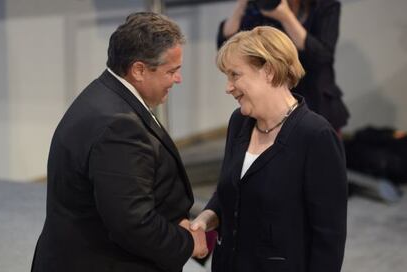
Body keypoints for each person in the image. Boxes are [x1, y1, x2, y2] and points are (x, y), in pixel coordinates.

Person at [31, 12, 208, 272]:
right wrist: (187, 242)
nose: (177, 79)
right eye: (171, 71)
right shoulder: (119, 127)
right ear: (138, 70)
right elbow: (132, 222)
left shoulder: (104, 94)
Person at [191, 26, 347, 272]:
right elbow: (231, 189)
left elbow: (328, 238)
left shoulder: (316, 136)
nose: (228, 87)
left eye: (235, 75)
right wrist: (206, 217)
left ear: (269, 71)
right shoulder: (239, 122)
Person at [217, 0, 349, 131]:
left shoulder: (325, 6)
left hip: (318, 99)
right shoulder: (264, 7)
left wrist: (286, 17)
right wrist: (241, 5)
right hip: (275, 106)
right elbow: (228, 45)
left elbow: (322, 56)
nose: (228, 88)